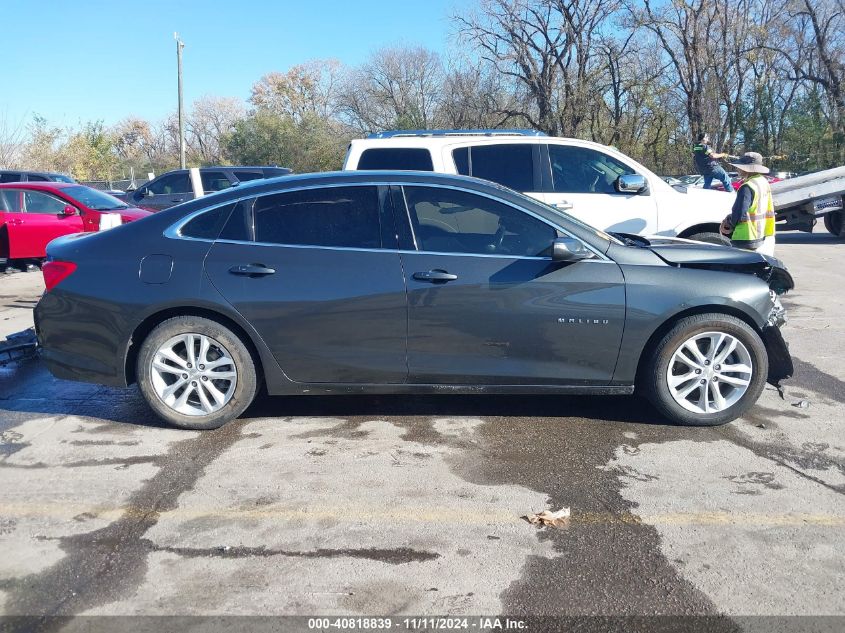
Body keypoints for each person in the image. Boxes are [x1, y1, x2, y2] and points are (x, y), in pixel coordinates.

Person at [719, 152, 776, 255]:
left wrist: (730, 221)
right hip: (759, 234)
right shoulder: (763, 181)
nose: (737, 169)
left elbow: (740, 213)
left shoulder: (747, 186)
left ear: (746, 168)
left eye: (739, 167)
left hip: (745, 236)